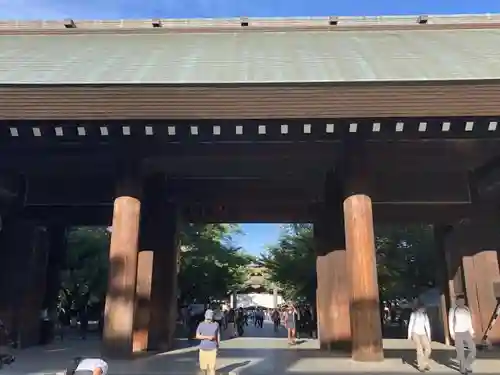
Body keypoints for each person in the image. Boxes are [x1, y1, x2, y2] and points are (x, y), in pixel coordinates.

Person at [449, 296, 476, 374]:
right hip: (458, 333)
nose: (462, 303)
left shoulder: (466, 309)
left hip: (466, 332)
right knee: (461, 352)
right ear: (457, 302)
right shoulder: (453, 310)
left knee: (473, 350)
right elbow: (450, 322)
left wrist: (472, 331)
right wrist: (452, 333)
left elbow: (469, 321)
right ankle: (462, 368)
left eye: (463, 301)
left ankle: (467, 364)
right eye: (460, 301)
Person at [408, 302, 432, 372]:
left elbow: (427, 326)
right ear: (418, 308)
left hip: (423, 333)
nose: (423, 309)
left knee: (428, 349)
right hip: (415, 333)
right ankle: (420, 366)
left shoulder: (425, 315)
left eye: (423, 308)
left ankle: (425, 362)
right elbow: (410, 325)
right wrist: (409, 335)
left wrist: (429, 336)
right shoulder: (413, 314)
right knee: (419, 349)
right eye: (421, 308)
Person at [196, 309, 220, 375]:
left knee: (212, 368)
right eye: (208, 318)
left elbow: (218, 335)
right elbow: (197, 336)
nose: (209, 320)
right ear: (205, 316)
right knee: (203, 368)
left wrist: (218, 346)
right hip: (203, 349)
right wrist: (207, 337)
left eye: (210, 318)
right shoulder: (201, 324)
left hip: (213, 349)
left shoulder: (216, 324)